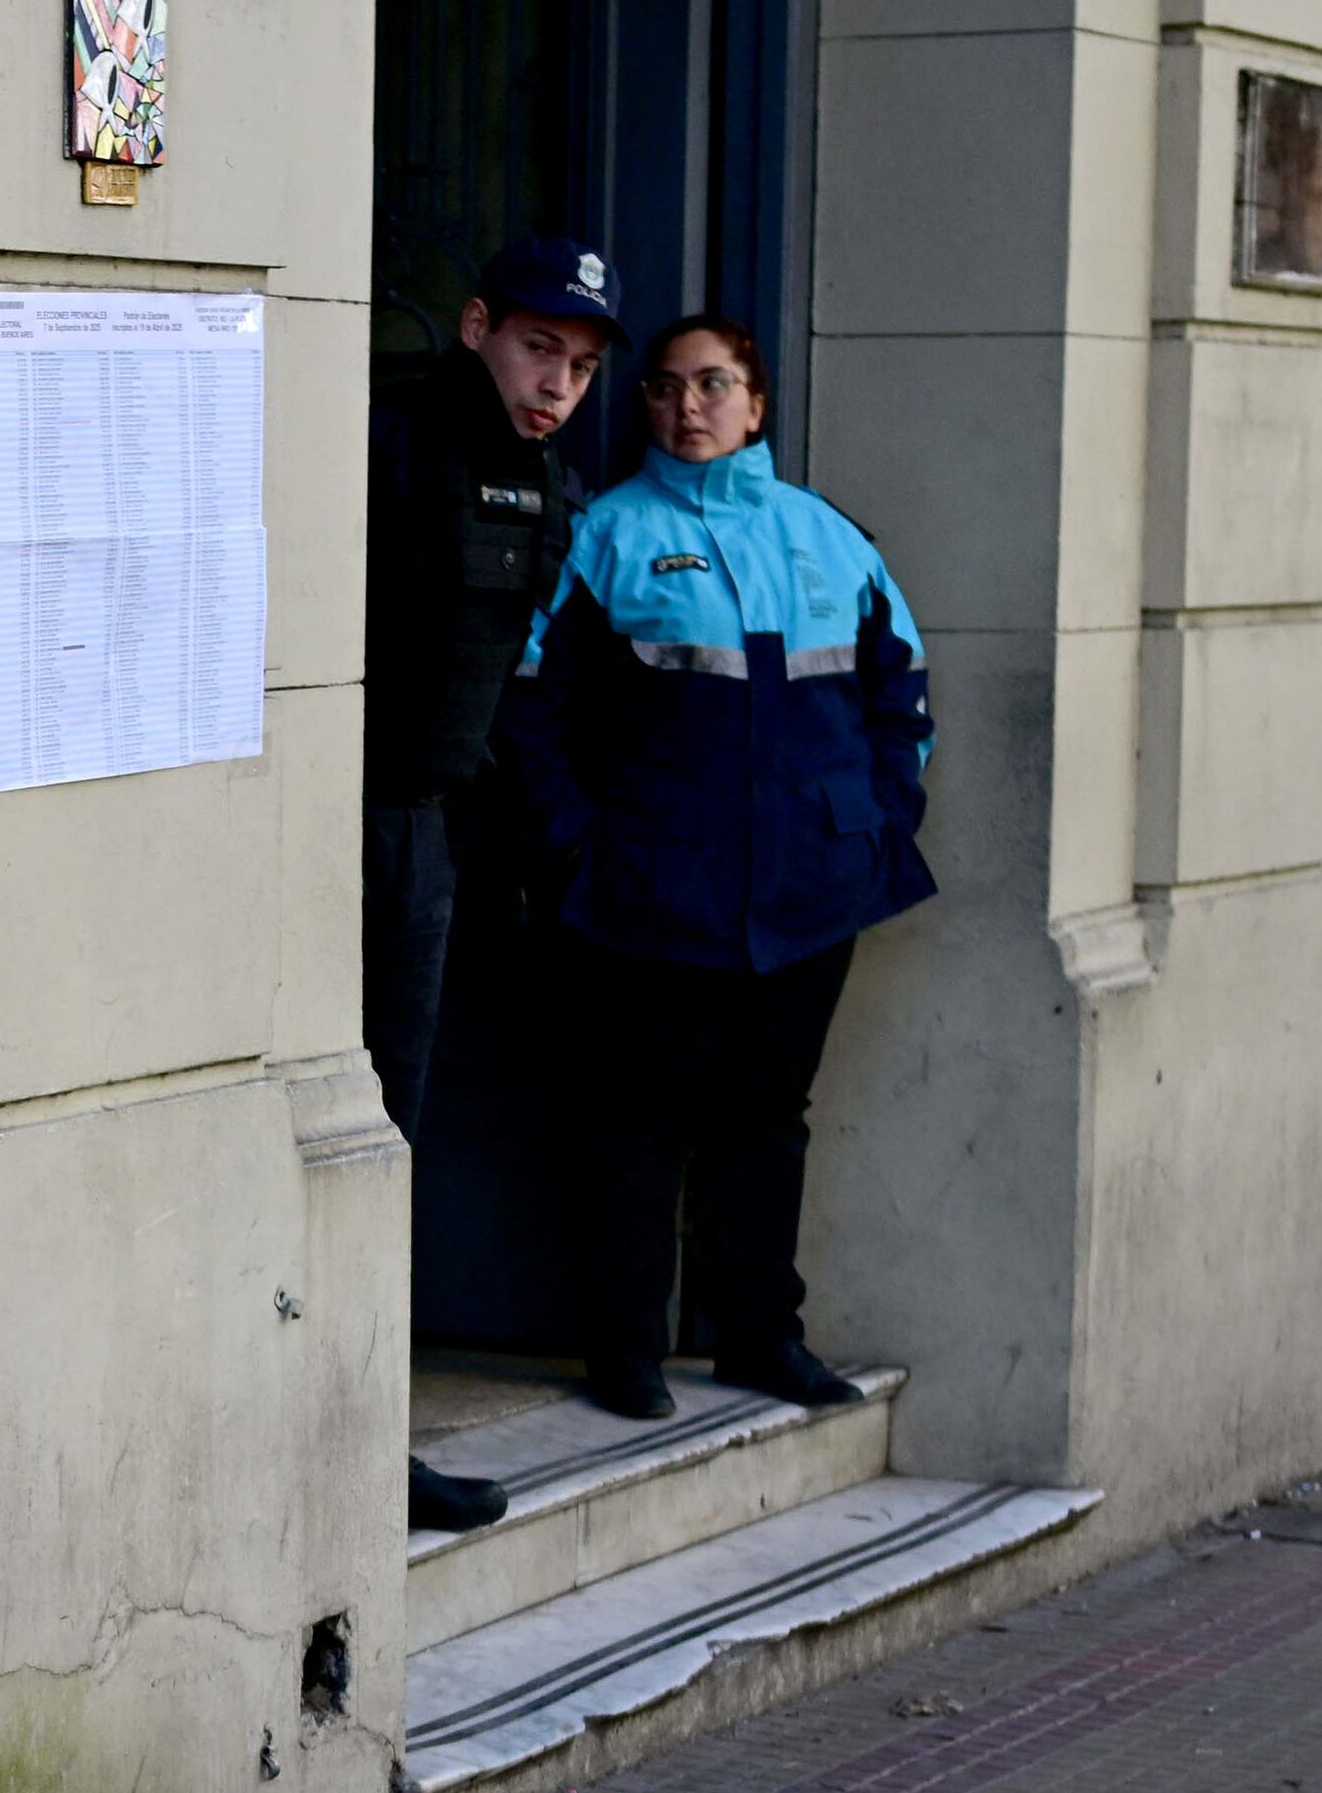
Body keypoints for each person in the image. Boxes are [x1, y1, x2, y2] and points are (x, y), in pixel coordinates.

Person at [514, 311, 931, 1420]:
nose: (684, 406)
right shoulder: (605, 534)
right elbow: (533, 709)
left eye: (709, 385)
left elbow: (900, 697)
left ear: (753, 402)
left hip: (809, 890)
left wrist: (879, 824)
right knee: (635, 1122)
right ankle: (624, 1350)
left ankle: (758, 1338)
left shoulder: (830, 538)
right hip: (651, 890)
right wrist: (571, 845)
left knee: (766, 1116)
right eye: (661, 388)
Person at [366, 236, 617, 1531]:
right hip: (351, 821)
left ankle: (366, 1442)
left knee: (393, 1140)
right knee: (352, 1144)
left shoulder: (547, 485)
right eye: (536, 349)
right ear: (475, 329)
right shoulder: (395, 444)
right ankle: (348, 1446)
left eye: (577, 365)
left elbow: (511, 681)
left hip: (435, 830)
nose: (556, 381)